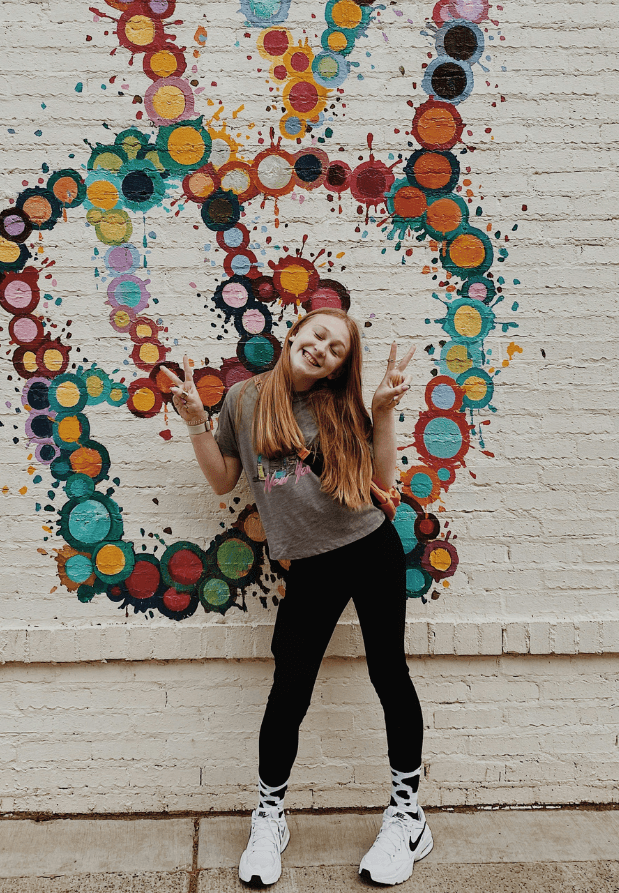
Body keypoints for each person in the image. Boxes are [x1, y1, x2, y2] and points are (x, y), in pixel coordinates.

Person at [161, 307, 431, 887]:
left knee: (389, 671)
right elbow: (222, 480)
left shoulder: (340, 406)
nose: (324, 349)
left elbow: (380, 483)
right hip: (309, 564)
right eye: (319, 336)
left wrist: (383, 412)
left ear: (339, 368)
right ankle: (269, 816)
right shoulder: (243, 400)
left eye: (337, 350)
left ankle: (408, 817)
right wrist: (195, 425)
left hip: (369, 546)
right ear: (293, 335)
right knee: (291, 687)